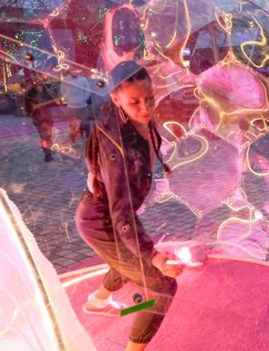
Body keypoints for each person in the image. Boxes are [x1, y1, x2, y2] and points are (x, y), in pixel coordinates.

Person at [75, 61, 182, 350]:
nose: (146, 107)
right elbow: (121, 217)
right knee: (161, 286)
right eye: (134, 101)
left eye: (149, 98)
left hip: (103, 213)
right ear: (115, 97)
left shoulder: (132, 121)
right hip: (101, 220)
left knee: (126, 260)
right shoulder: (117, 145)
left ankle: (97, 302)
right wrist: (155, 256)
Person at [24, 80, 59, 162]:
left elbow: (53, 103)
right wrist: (34, 108)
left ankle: (48, 151)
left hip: (48, 117)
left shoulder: (46, 91)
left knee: (48, 136)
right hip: (38, 118)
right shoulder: (30, 93)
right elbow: (28, 108)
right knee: (43, 136)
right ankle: (47, 153)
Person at [61, 68, 91, 143]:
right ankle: (73, 138)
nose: (74, 71)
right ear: (70, 71)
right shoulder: (66, 80)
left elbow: (88, 90)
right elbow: (62, 91)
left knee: (85, 123)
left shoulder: (83, 80)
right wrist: (68, 98)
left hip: (82, 105)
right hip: (71, 106)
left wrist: (84, 99)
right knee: (72, 123)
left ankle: (88, 138)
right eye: (72, 70)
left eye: (75, 70)